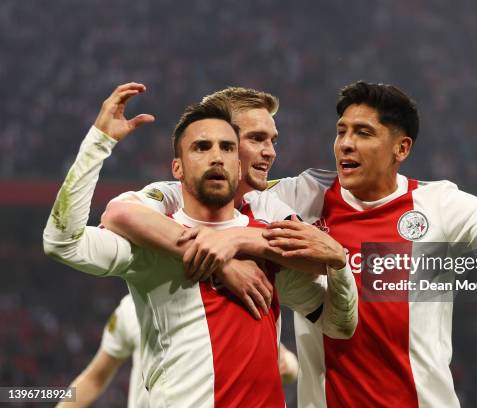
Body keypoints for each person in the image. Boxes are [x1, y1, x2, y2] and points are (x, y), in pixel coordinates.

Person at [117, 81, 477, 407]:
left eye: (363, 133)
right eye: (341, 131)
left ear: (400, 148)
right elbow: (142, 209)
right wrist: (221, 247)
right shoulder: (294, 198)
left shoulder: (440, 203)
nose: (344, 144)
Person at [43, 83, 356, 407]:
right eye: (256, 139)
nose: (270, 152)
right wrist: (98, 143)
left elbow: (333, 308)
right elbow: (92, 227)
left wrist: (244, 239)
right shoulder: (159, 214)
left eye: (272, 140)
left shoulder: (271, 213)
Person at [57, 294, 300, 408]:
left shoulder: (221, 303)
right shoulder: (130, 310)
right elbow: (95, 378)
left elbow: (284, 362)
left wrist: (289, 367)